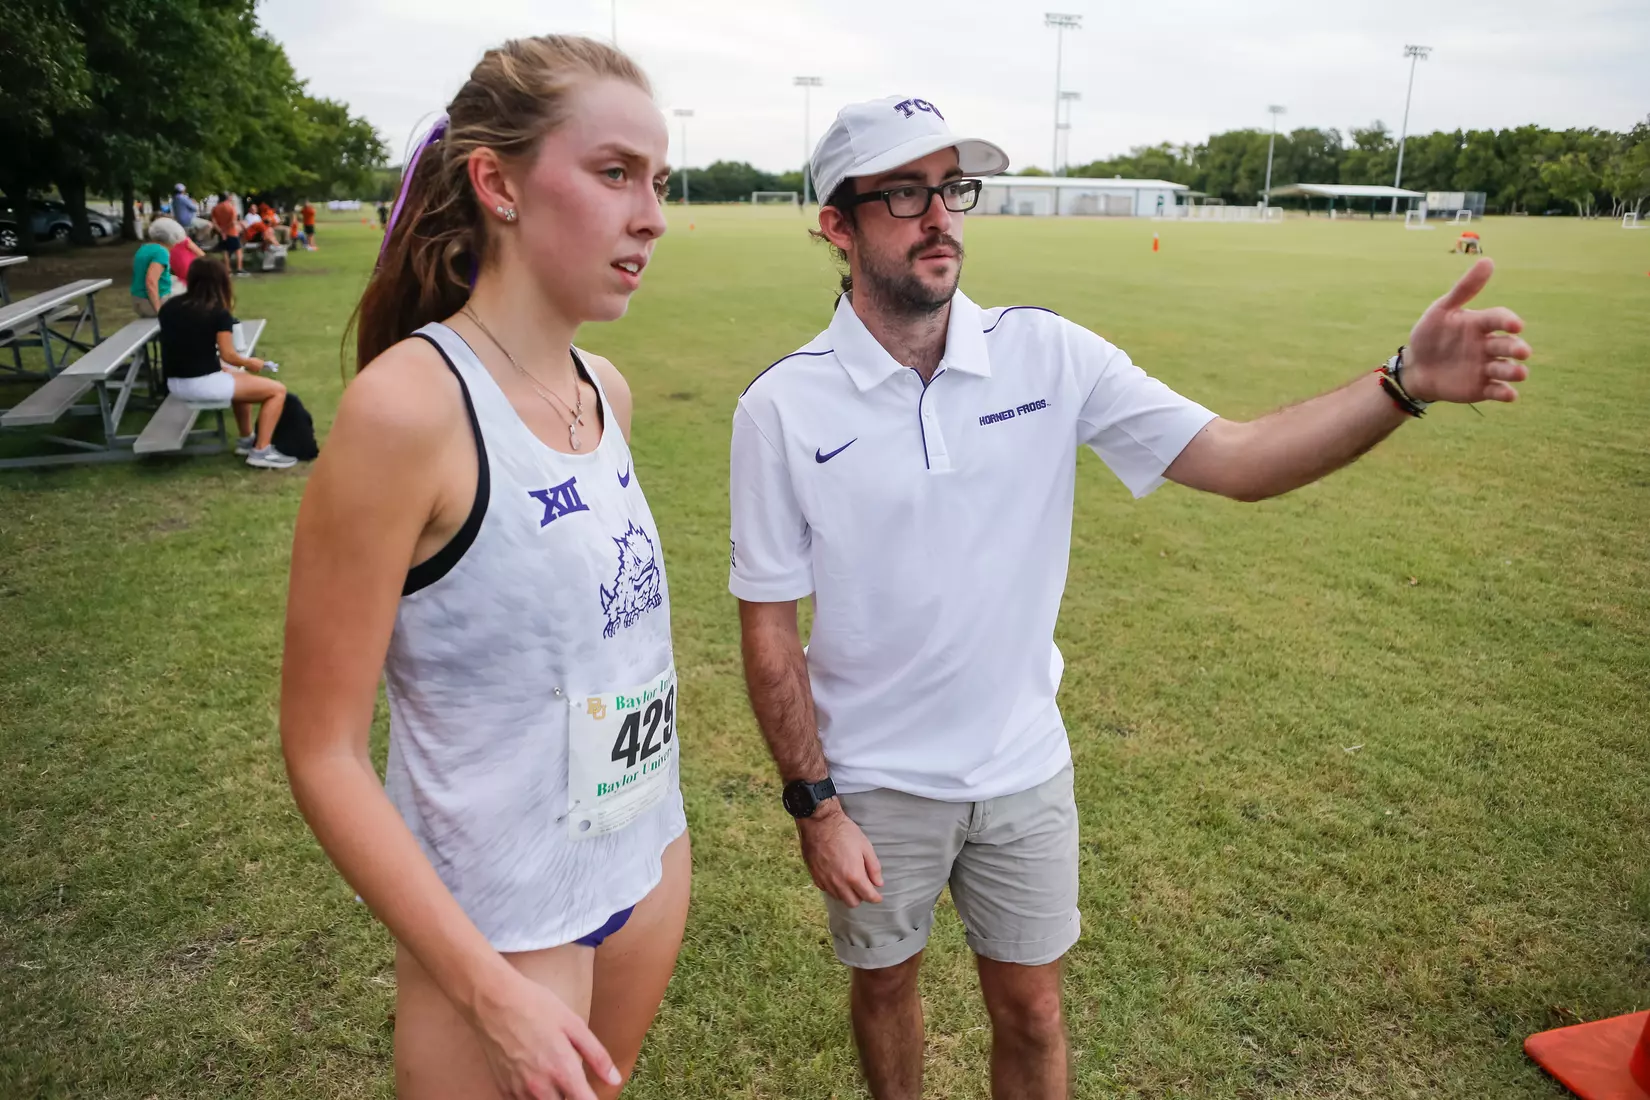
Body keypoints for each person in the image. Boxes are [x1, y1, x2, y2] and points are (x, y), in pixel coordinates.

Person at [728, 95, 1535, 1100]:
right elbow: (768, 628)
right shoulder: (780, 408)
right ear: (836, 225)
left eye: (951, 189)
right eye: (903, 194)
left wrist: (1401, 383)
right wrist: (815, 804)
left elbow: (1238, 458)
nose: (940, 217)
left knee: (1033, 1008)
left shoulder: (1047, 354)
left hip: (1023, 764)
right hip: (876, 779)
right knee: (886, 986)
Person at [281, 35, 683, 1100]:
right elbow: (321, 749)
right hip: (502, 924)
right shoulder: (405, 411)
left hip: (644, 855)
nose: (651, 214)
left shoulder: (609, 389)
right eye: (614, 173)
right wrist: (485, 990)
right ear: (496, 182)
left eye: (659, 180)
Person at [156, 258, 295, 469]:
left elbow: (185, 345)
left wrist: (227, 368)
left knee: (243, 382)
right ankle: (261, 451)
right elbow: (229, 354)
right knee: (277, 391)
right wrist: (251, 362)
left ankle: (247, 440)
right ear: (221, 281)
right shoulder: (218, 312)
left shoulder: (169, 307)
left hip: (174, 382)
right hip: (200, 384)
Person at [131, 216, 183, 317]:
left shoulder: (144, 248)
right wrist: (159, 311)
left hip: (138, 301)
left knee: (178, 280)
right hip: (151, 304)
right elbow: (151, 281)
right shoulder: (161, 252)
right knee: (191, 292)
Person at [210, 192, 246, 276]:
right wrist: (226, 229)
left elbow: (214, 223)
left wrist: (221, 231)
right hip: (232, 232)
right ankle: (239, 269)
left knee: (225, 251)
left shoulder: (215, 208)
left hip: (221, 233)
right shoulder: (231, 207)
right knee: (238, 249)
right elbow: (233, 221)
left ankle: (227, 269)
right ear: (227, 198)